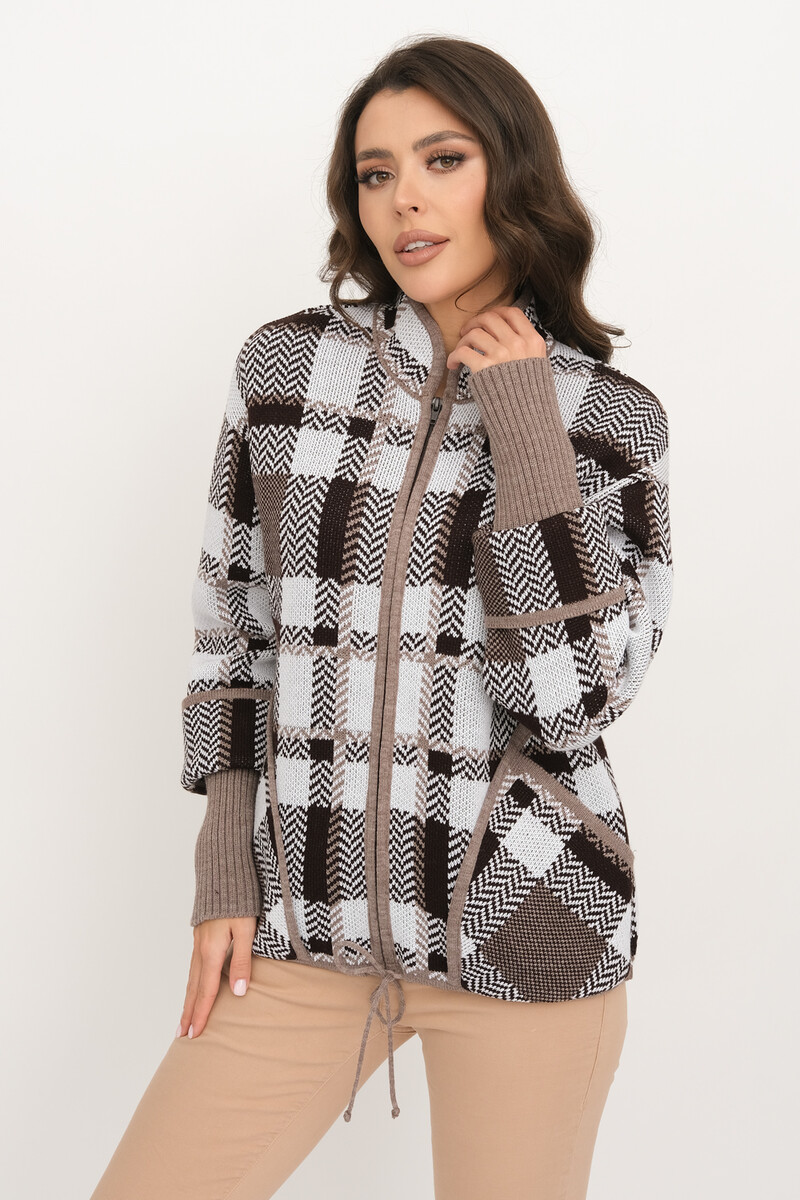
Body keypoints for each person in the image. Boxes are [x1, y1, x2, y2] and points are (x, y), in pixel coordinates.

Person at [90, 33, 673, 1200]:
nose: (403, 196)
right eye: (374, 171)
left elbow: (566, 701)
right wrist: (226, 871)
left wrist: (524, 427)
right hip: (303, 929)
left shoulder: (608, 421)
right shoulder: (284, 374)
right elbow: (233, 632)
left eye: (441, 160)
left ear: (510, 172)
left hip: (530, 925)